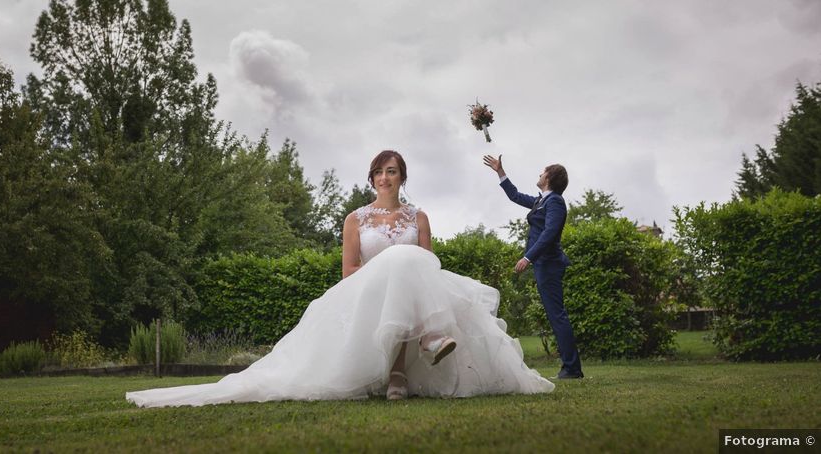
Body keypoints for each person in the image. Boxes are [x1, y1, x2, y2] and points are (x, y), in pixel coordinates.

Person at [125, 150, 553, 408]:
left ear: (403, 178)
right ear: (371, 179)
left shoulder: (419, 216)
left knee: (409, 263)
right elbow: (348, 271)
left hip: (418, 291)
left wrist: (399, 270)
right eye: (379, 172)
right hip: (364, 293)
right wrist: (387, 274)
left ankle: (403, 370)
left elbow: (429, 266)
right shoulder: (355, 219)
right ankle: (423, 345)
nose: (385, 178)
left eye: (393, 171)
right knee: (400, 264)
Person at [482, 155, 584, 379]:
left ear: (549, 177)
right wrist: (500, 172)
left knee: (557, 315)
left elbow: (549, 233)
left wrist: (527, 258)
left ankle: (572, 368)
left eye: (542, 172)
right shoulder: (542, 201)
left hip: (549, 263)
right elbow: (515, 195)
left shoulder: (555, 201)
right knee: (555, 314)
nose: (539, 174)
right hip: (543, 264)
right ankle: (571, 367)